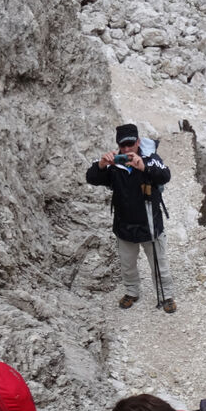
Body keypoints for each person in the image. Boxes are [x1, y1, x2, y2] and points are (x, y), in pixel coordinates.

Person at [85, 123, 177, 314]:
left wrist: (143, 167)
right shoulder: (114, 164)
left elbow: (165, 175)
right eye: (123, 145)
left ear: (138, 142)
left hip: (150, 225)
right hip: (124, 226)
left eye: (130, 144)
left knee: (159, 263)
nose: (127, 149)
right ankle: (131, 292)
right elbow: (91, 177)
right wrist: (102, 164)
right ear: (118, 144)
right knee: (127, 265)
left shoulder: (150, 159)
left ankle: (166, 295)